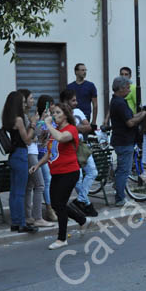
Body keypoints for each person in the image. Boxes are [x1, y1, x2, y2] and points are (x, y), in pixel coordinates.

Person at [38, 102, 88, 250]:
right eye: (54, 113)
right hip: (57, 172)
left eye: (58, 113)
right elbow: (50, 152)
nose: (55, 115)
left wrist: (49, 125)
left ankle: (62, 238)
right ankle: (82, 220)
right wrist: (37, 165)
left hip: (70, 172)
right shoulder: (55, 131)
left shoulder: (70, 129)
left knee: (59, 204)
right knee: (56, 204)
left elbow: (61, 138)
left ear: (66, 115)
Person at [109, 76, 146, 206]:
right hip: (124, 141)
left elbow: (131, 116)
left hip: (121, 140)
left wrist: (143, 112)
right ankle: (120, 198)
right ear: (120, 88)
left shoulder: (118, 101)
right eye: (127, 88)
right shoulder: (119, 103)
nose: (129, 90)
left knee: (122, 169)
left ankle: (118, 189)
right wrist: (144, 115)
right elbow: (130, 123)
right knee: (124, 171)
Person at [60, 88, 99, 217]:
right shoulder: (60, 115)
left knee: (93, 171)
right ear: (65, 102)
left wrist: (75, 129)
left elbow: (88, 127)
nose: (76, 103)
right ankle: (86, 204)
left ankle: (81, 200)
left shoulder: (77, 111)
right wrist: (78, 129)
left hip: (81, 146)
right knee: (78, 177)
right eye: (73, 100)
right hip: (69, 147)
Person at [18, 89, 53, 228]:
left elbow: (36, 136)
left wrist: (40, 123)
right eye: (31, 98)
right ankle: (37, 217)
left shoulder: (27, 116)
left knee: (30, 186)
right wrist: (38, 122)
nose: (33, 101)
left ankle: (29, 216)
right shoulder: (26, 117)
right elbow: (30, 137)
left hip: (32, 151)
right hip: (30, 153)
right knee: (40, 185)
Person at [2, 91, 36, 232]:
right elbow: (27, 140)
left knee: (14, 191)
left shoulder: (7, 118)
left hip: (13, 155)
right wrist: (33, 125)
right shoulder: (19, 119)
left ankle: (15, 222)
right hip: (21, 154)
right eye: (22, 102)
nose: (24, 105)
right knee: (20, 192)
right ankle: (21, 223)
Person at [36, 95, 57, 222]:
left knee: (54, 181)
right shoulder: (39, 120)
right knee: (47, 180)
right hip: (42, 154)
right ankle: (49, 209)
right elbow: (39, 136)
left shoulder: (52, 119)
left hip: (53, 154)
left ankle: (54, 206)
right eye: (51, 104)